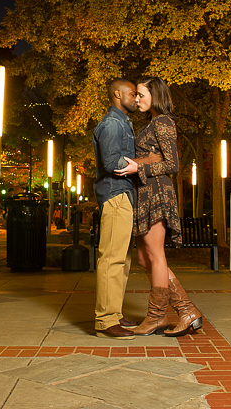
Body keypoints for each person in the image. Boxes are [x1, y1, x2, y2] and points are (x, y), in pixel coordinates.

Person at [115, 76, 204, 337]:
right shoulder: (152, 123)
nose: (137, 99)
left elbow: (173, 164)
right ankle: (186, 309)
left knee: (154, 254)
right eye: (137, 95)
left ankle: (157, 317)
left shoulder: (163, 122)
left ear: (156, 95)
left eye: (141, 94)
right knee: (145, 256)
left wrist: (138, 165)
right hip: (145, 191)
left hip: (156, 192)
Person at [91, 78, 141, 339]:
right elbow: (111, 162)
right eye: (133, 94)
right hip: (115, 195)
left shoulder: (123, 122)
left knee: (122, 260)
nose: (137, 98)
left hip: (123, 196)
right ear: (117, 94)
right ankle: (105, 321)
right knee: (112, 258)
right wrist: (143, 162)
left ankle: (115, 314)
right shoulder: (112, 123)